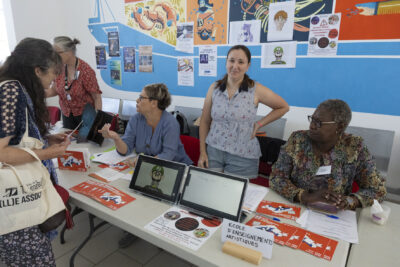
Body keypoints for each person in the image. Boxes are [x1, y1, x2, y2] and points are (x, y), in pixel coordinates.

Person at [0, 38, 71, 266]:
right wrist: (46, 153)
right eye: (52, 73)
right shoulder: (11, 91)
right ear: (37, 70)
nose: (53, 80)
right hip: (17, 203)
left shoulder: (14, 87)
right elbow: (1, 152)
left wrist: (45, 138)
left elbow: (16, 139)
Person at [99, 83, 192, 248]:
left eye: (141, 98)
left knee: (154, 197)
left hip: (176, 170)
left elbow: (167, 156)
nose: (137, 100)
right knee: (133, 192)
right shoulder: (136, 119)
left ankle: (165, 234)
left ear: (154, 103)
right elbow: (125, 149)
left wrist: (141, 161)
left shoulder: (170, 123)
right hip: (149, 168)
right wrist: (116, 138)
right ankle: (134, 228)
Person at [270, 99, 387, 210]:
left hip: (333, 215)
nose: (312, 126)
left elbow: (377, 190)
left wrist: (350, 201)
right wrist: (305, 196)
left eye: (319, 123)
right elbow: (276, 178)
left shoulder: (354, 147)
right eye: (312, 119)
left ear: (339, 126)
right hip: (295, 207)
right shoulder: (297, 140)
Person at [198, 45, 289, 179]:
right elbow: (205, 121)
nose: (235, 66)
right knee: (210, 193)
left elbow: (283, 107)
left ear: (248, 66)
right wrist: (202, 152)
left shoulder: (256, 90)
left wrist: (259, 124)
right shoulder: (214, 88)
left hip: (243, 155)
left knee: (235, 198)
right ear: (226, 62)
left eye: (241, 62)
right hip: (214, 151)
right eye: (232, 60)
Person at [46, 36, 102, 129]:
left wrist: (97, 120)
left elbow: (97, 97)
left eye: (57, 53)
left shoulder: (85, 71)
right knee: (69, 142)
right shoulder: (59, 68)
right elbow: (54, 90)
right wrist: (34, 93)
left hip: (85, 116)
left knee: (84, 143)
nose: (54, 57)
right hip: (67, 114)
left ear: (69, 52)